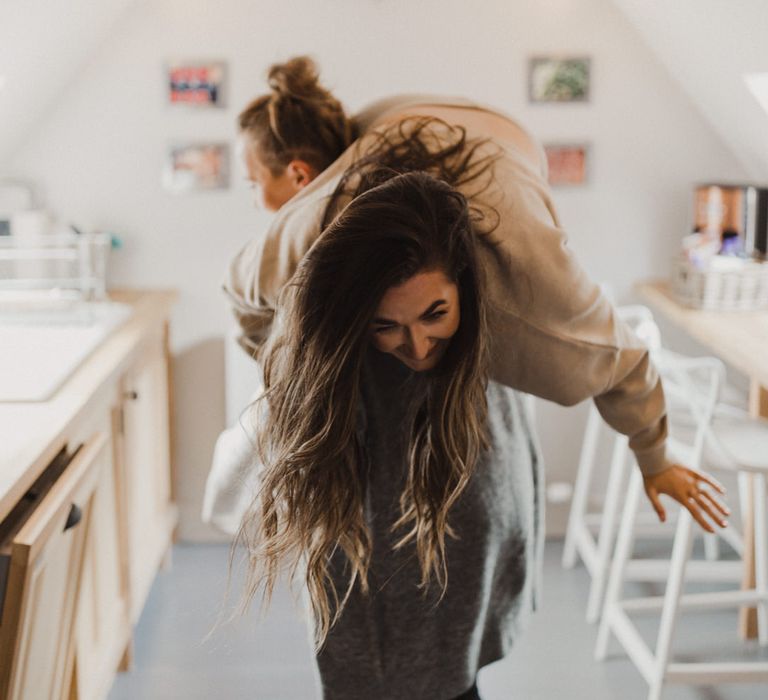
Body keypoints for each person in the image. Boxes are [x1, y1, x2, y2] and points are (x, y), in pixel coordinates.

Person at [219, 56, 730, 700]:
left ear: (466, 288)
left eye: (436, 315)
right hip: (384, 126)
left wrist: (655, 456)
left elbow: (621, 358)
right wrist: (295, 368)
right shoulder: (305, 246)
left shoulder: (529, 294)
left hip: (488, 137)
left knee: (447, 605)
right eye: (387, 326)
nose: (418, 344)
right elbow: (240, 298)